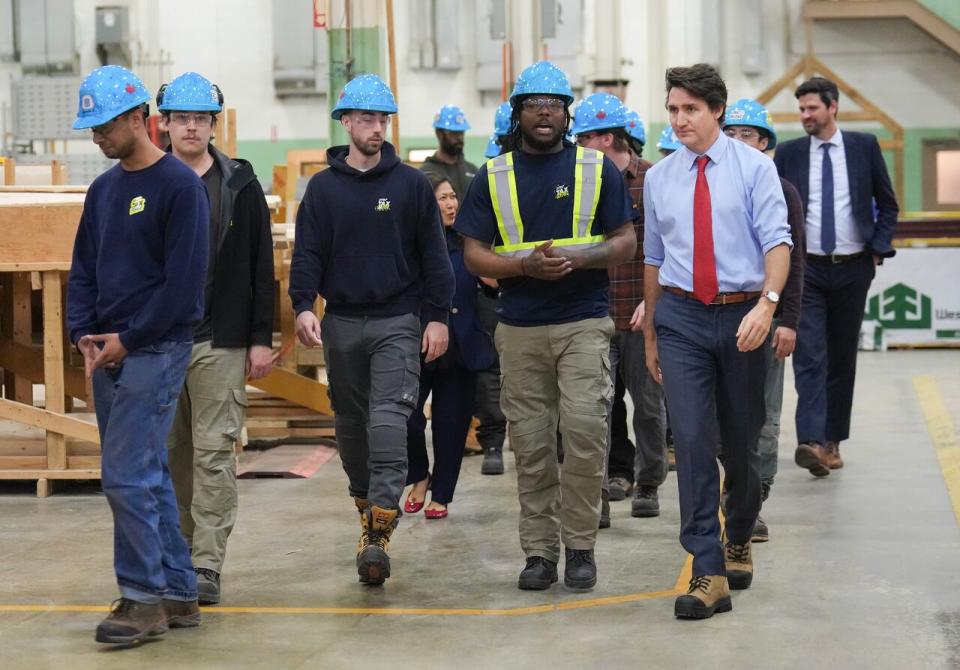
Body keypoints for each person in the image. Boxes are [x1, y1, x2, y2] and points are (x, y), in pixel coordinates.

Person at [456, 61, 636, 593]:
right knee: (531, 447)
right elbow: (472, 254)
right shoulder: (493, 175)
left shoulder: (595, 169)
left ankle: (580, 546)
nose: (544, 112)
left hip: (583, 322)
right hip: (520, 327)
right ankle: (539, 553)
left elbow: (625, 240)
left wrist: (580, 259)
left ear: (566, 114)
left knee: (584, 435)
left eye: (554, 104)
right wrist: (522, 267)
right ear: (517, 113)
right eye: (533, 104)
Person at [289, 74, 454, 586]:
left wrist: (438, 316)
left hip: (397, 320)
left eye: (383, 119)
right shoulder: (322, 189)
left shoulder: (409, 185)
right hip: (340, 320)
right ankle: (366, 512)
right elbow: (308, 253)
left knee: (388, 420)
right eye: (366, 119)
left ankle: (382, 525)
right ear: (346, 122)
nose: (376, 128)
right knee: (350, 425)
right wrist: (303, 306)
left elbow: (434, 255)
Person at [642, 64, 791, 619]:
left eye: (691, 109)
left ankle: (740, 531)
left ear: (717, 111)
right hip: (681, 317)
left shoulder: (754, 170)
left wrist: (767, 305)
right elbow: (654, 259)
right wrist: (654, 331)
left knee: (742, 446)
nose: (679, 120)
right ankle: (707, 568)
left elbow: (778, 243)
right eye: (674, 109)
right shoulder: (661, 178)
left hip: (743, 316)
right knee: (695, 442)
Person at [67, 65, 209, 643]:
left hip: (157, 347)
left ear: (136, 119)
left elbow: (182, 288)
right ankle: (177, 591)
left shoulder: (180, 187)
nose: (96, 137)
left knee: (124, 474)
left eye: (104, 125)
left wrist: (128, 338)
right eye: (91, 128)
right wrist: (83, 333)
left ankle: (141, 599)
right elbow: (83, 269)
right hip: (109, 350)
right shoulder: (104, 190)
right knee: (145, 475)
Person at [158, 72, 275, 604]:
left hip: (220, 340)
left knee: (213, 454)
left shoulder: (240, 184)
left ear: (213, 124)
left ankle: (206, 565)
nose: (190, 127)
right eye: (181, 118)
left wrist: (259, 337)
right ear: (163, 123)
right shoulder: (147, 181)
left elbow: (260, 266)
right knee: (171, 452)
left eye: (200, 118)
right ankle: (178, 557)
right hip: (158, 342)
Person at [773, 77, 898, 476]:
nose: (806, 116)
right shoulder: (790, 154)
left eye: (812, 108)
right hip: (806, 269)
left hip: (853, 268)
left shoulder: (864, 147)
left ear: (833, 107)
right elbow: (775, 207)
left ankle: (832, 441)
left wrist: (876, 248)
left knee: (842, 358)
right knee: (809, 355)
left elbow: (888, 204)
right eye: (802, 110)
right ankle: (809, 439)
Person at [572, 93, 666, 524]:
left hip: (641, 311)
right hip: (595, 313)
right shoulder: (580, 183)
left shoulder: (654, 180)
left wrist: (655, 299)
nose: (577, 147)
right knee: (595, 409)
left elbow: (672, 247)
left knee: (649, 406)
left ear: (607, 137)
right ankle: (602, 491)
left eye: (584, 138)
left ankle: (648, 482)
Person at [721, 98, 806, 542]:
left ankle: (755, 502)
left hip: (767, 318)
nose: (737, 142)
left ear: (765, 143)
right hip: (720, 317)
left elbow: (795, 260)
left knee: (765, 419)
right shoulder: (712, 186)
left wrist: (787, 320)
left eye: (747, 135)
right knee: (726, 416)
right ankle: (733, 497)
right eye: (730, 133)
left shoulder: (783, 190)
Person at [404, 175, 497, 518]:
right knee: (407, 418)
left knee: (451, 426)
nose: (450, 204)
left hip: (462, 345)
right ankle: (418, 475)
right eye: (442, 198)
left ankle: (441, 494)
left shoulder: (471, 242)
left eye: (452, 196)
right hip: (418, 344)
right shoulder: (411, 245)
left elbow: (494, 285)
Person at [475, 100, 514, 476]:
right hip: (494, 292)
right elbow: (477, 245)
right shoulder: (489, 179)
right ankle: (492, 442)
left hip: (539, 296)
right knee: (489, 372)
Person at [421, 104, 478, 201]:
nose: (459, 138)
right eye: (454, 133)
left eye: (461, 133)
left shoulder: (473, 171)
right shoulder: (426, 173)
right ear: (439, 134)